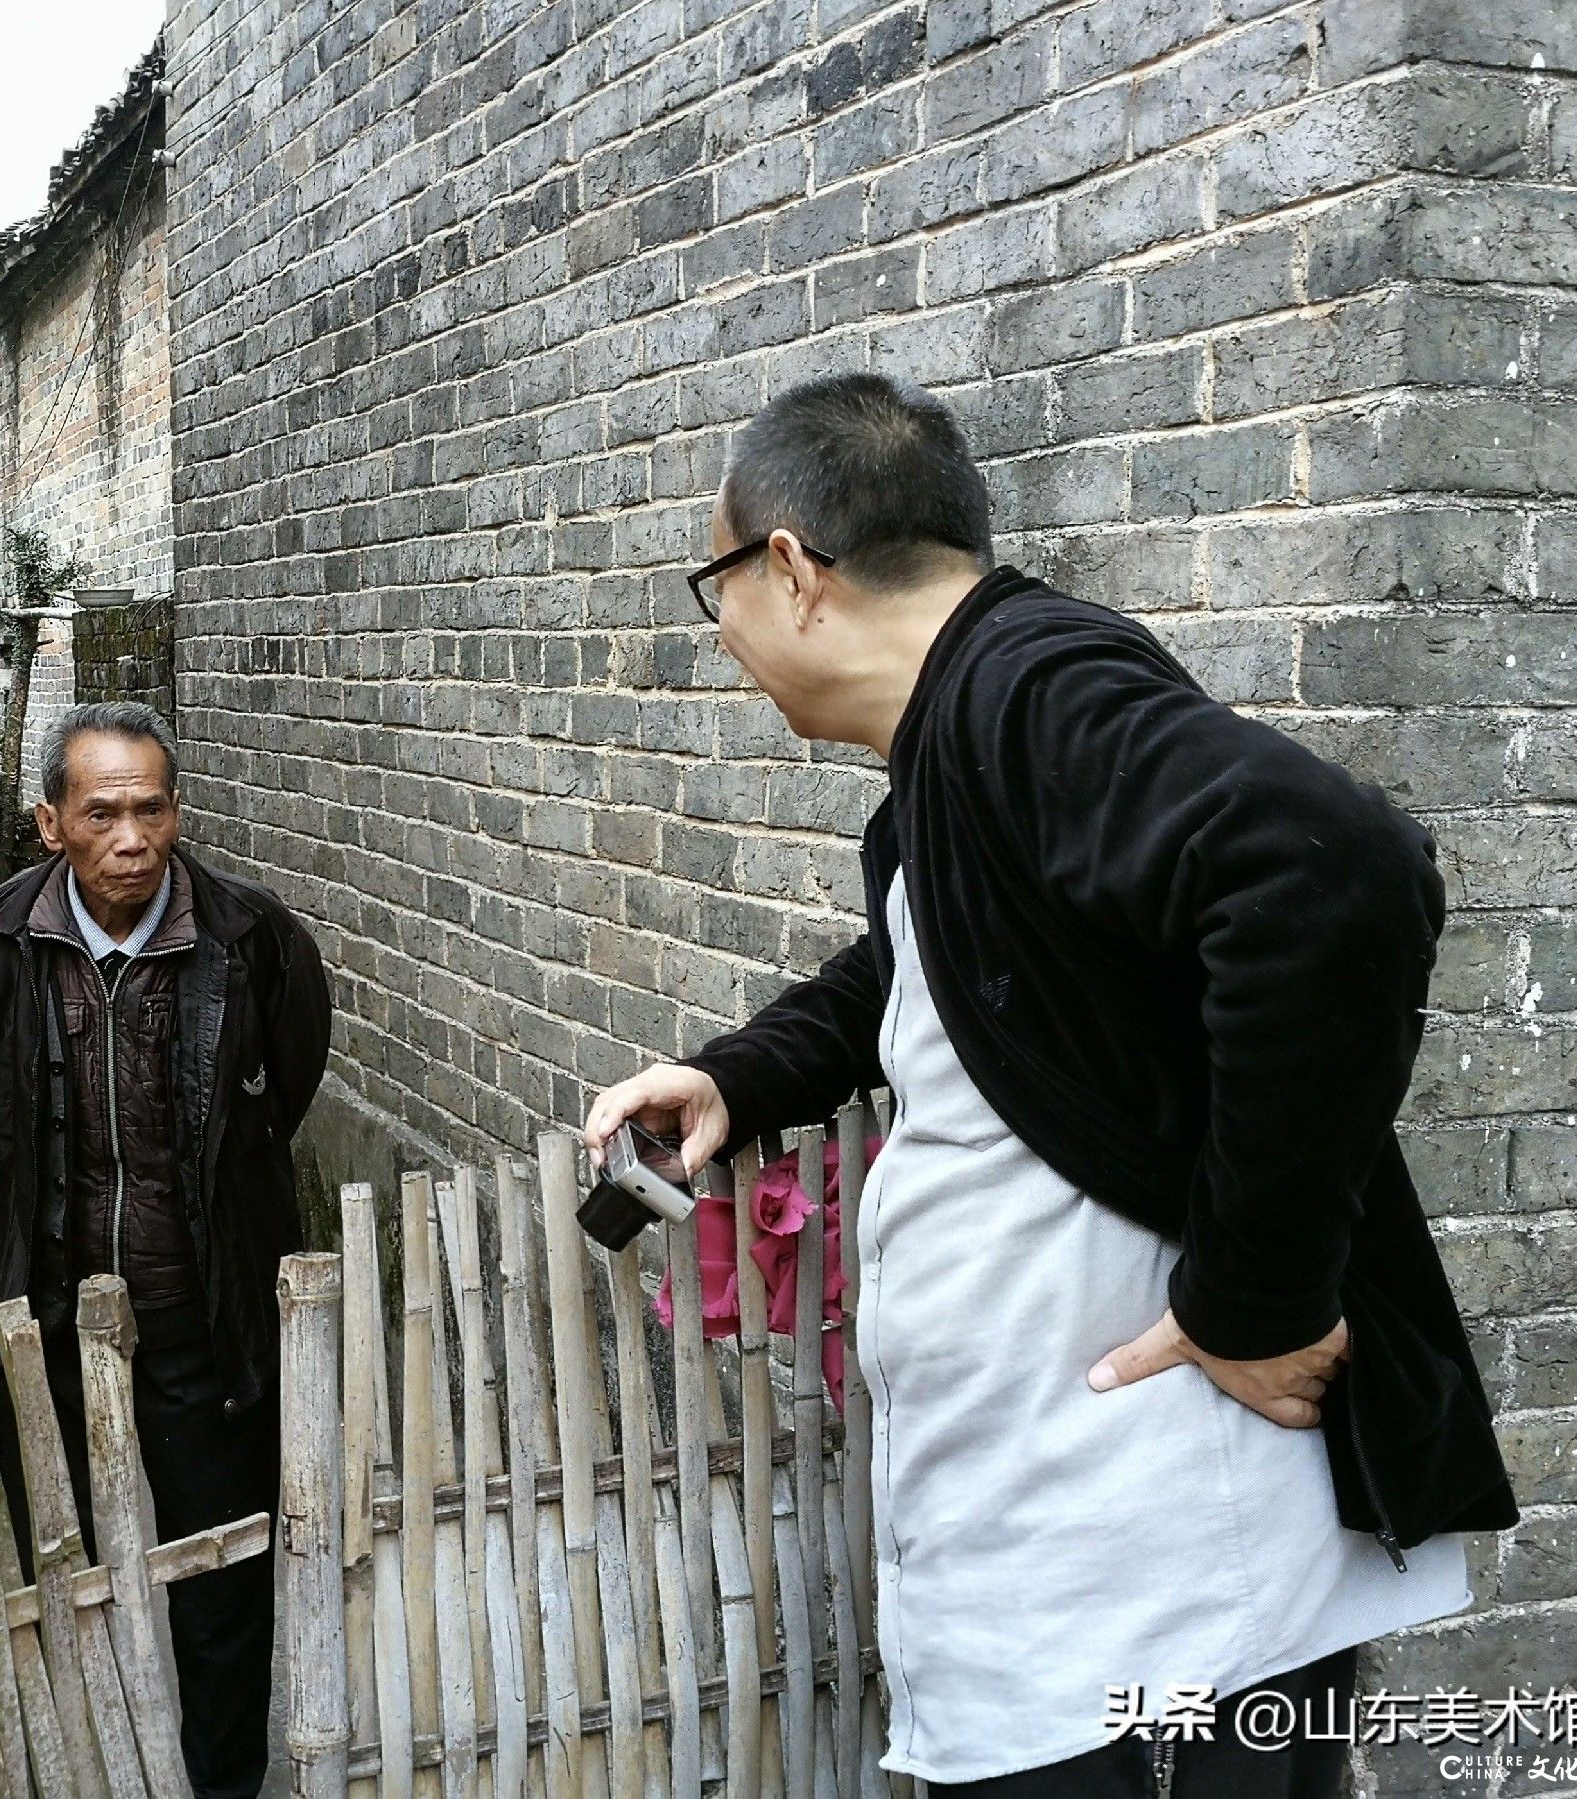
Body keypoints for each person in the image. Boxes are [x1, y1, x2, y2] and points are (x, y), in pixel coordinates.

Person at [582, 373, 1518, 1795]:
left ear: (790, 569)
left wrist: (1250, 1296)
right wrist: (739, 1074)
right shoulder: (954, 766)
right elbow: (926, 963)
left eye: (713, 587)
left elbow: (1335, 876)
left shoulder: (1026, 687)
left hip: (1172, 1587)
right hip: (1098, 1571)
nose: (720, 638)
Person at [0, 700, 331, 1798]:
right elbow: (4, 1095)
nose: (131, 836)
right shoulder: (1, 938)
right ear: (49, 822)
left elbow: (281, 1090)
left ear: (177, 810)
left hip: (203, 1326)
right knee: (63, 1573)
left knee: (220, 1588)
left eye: (152, 807)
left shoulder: (253, 942)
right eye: (102, 810)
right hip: (58, 1321)